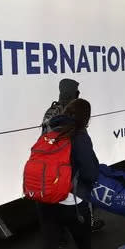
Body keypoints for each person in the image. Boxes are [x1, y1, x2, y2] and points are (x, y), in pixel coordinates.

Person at [35, 98, 108, 249]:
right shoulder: (79, 135)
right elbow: (90, 173)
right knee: (83, 243)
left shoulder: (49, 128)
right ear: (85, 117)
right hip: (72, 202)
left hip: (45, 199)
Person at [41, 79, 105, 235]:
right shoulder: (75, 111)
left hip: (53, 162)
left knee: (57, 198)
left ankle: (60, 233)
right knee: (81, 195)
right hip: (72, 163)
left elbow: (43, 137)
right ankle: (87, 224)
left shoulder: (51, 111)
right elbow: (81, 139)